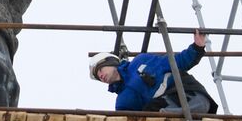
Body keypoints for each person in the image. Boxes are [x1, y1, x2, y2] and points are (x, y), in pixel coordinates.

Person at [89, 30, 218, 114]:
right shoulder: (123, 102)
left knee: (198, 105)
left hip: (184, 93)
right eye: (98, 77)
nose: (100, 76)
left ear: (110, 61)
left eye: (100, 69)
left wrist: (196, 48)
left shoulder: (140, 61)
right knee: (157, 116)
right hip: (163, 110)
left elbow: (176, 62)